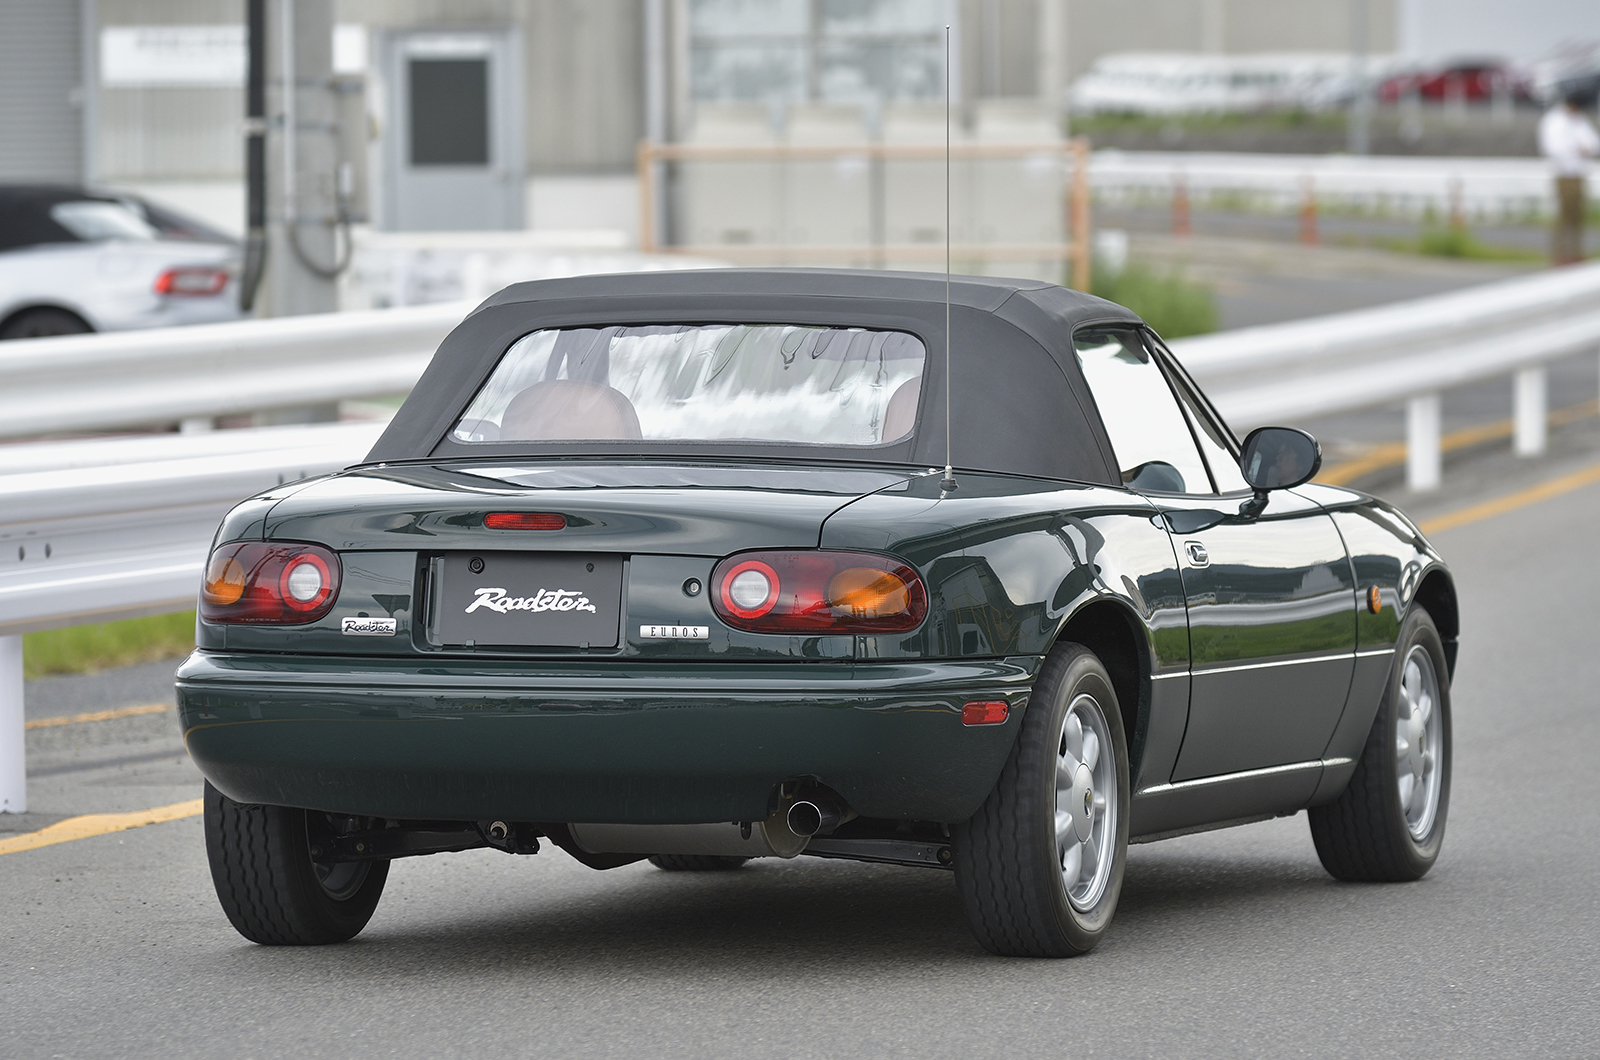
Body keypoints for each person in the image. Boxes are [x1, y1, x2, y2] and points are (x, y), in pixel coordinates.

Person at [1538, 91, 1599, 266]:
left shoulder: (1579, 119)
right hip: (1564, 173)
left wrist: (1582, 148)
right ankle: (1560, 253)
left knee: (1577, 214)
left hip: (1578, 173)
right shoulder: (1554, 121)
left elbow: (1594, 143)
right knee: (1564, 214)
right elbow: (1552, 148)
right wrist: (1577, 148)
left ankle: (1576, 252)